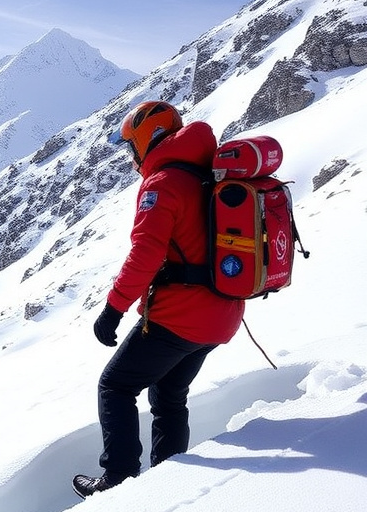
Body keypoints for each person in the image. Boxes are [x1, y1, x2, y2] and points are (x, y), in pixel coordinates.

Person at [72, 102, 244, 497]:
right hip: (222, 315)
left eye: (131, 146)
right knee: (168, 395)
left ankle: (117, 480)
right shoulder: (208, 174)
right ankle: (169, 479)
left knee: (115, 386)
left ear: (148, 140)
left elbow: (145, 255)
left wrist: (112, 311)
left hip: (180, 316)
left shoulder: (163, 183)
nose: (130, 157)